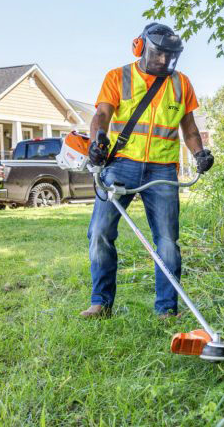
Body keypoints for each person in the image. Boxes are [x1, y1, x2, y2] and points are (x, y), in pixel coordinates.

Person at [80, 23, 214, 319]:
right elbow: (102, 115)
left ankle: (167, 309)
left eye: (170, 55)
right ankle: (101, 303)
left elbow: (189, 128)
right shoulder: (118, 77)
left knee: (167, 241)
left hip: (162, 170)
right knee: (100, 231)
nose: (164, 60)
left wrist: (200, 153)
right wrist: (97, 141)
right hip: (121, 164)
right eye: (158, 54)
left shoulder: (181, 83)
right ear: (140, 48)